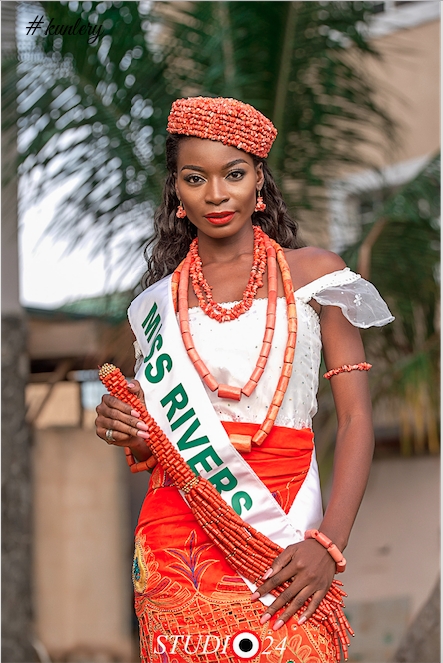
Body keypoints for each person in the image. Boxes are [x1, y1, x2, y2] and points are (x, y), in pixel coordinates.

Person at [95, 96, 394, 663]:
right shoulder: (156, 307)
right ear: (176, 194)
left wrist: (329, 543)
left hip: (286, 534)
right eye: (194, 178)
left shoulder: (317, 275)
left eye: (233, 174)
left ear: (259, 181)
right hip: (176, 542)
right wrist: (125, 425)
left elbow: (356, 418)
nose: (215, 194)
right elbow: (157, 439)